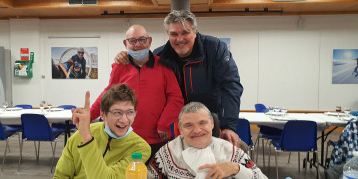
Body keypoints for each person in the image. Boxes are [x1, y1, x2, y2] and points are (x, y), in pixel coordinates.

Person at [115, 10, 244, 147]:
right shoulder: (160, 55)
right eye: (174, 34)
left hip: (208, 120)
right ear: (168, 35)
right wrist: (126, 56)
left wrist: (228, 126)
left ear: (195, 31)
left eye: (185, 32)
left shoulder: (215, 48)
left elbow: (231, 86)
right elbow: (140, 67)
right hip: (175, 125)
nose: (180, 39)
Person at [90, 25, 184, 162]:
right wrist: (88, 115)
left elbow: (176, 98)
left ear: (150, 41)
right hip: (125, 138)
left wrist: (164, 123)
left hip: (156, 138)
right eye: (132, 41)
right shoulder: (119, 66)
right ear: (125, 43)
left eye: (142, 40)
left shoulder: (164, 66)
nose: (138, 44)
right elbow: (107, 96)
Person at [54, 83, 151, 178]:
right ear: (103, 114)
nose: (124, 120)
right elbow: (60, 176)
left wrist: (87, 139)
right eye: (117, 112)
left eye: (130, 112)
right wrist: (85, 135)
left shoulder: (140, 148)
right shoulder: (80, 135)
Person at [148, 102, 267, 179]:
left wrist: (236, 169)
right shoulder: (167, 153)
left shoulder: (231, 152)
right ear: (180, 130)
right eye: (188, 125)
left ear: (212, 124)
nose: (197, 130)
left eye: (202, 123)